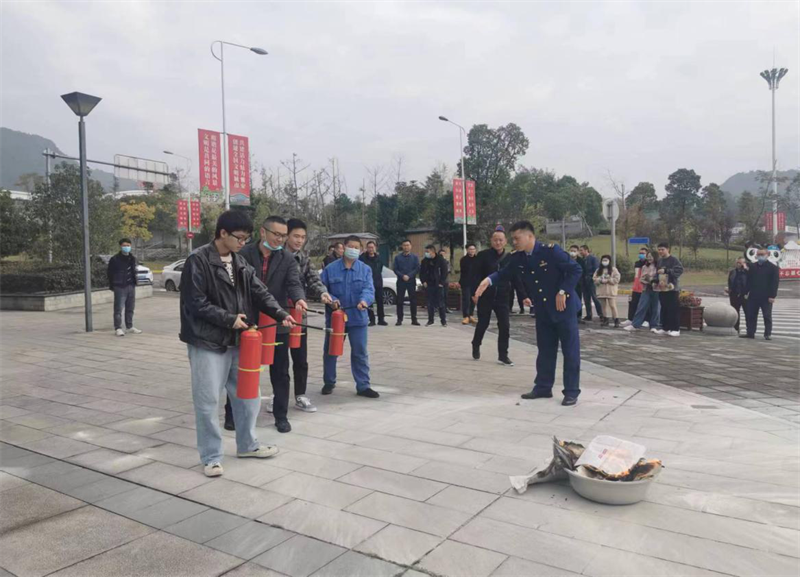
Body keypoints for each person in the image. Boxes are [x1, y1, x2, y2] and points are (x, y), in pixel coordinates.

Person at [179, 210, 295, 477]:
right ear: (223, 233)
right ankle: (211, 456)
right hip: (207, 342)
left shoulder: (239, 262)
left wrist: (280, 314)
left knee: (248, 395)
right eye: (239, 238)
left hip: (239, 340)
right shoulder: (198, 260)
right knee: (207, 400)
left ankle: (247, 444)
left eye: (246, 239)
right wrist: (229, 319)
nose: (243, 243)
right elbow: (196, 303)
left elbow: (259, 292)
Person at [475, 221, 582, 406]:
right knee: (545, 350)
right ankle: (543, 387)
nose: (514, 242)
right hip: (543, 310)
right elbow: (504, 273)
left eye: (517, 238)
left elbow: (575, 270)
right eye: (513, 239)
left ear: (530, 236)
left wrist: (563, 290)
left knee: (570, 351)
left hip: (564, 309)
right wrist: (488, 280)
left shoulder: (551, 252)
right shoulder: (518, 257)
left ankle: (571, 391)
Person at [230, 216, 307, 434]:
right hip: (247, 319)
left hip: (277, 319)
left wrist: (299, 299)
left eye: (283, 236)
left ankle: (281, 416)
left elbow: (293, 283)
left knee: (280, 371)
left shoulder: (287, 258)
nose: (280, 239)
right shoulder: (243, 254)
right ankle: (231, 414)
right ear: (263, 232)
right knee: (239, 369)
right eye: (277, 234)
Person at [284, 218, 334, 414]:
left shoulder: (303, 258)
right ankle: (278, 396)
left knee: (300, 358)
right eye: (296, 236)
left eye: (303, 237)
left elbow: (313, 278)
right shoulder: (275, 256)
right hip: (278, 316)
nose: (299, 240)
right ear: (286, 236)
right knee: (279, 361)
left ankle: (300, 395)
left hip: (299, 315)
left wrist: (322, 292)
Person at [321, 235, 378, 397]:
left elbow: (369, 289)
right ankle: (329, 382)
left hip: (357, 317)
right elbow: (322, 289)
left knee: (360, 351)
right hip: (336, 318)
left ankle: (363, 386)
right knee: (331, 350)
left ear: (361, 250)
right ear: (343, 247)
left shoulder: (365, 269)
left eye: (356, 247)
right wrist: (331, 300)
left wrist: (364, 301)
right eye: (350, 246)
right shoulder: (330, 269)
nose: (353, 250)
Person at [471, 226, 520, 366]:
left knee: (505, 326)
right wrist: (475, 293)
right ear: (491, 241)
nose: (498, 242)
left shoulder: (510, 258)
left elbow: (516, 278)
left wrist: (524, 296)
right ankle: (476, 343)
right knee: (483, 323)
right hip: (485, 296)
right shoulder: (483, 255)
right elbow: (475, 276)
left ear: (505, 241)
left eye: (500, 240)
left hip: (503, 297)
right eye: (495, 240)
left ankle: (503, 355)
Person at [742, 246, 779, 340]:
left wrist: (772, 296)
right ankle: (750, 333)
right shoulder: (753, 266)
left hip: (766, 297)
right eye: (758, 254)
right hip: (753, 295)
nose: (760, 256)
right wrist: (745, 292)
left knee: (767, 316)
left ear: (767, 255)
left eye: (762, 254)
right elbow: (749, 281)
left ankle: (767, 334)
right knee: (751, 315)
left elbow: (774, 283)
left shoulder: (773, 268)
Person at [107, 238, 142, 337]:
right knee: (118, 308)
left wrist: (135, 282)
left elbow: (134, 270)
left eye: (128, 245)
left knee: (130, 307)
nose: (126, 247)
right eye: (124, 245)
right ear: (120, 246)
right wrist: (113, 285)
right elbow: (110, 273)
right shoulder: (115, 259)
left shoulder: (132, 258)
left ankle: (129, 326)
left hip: (131, 285)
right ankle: (118, 328)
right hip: (120, 286)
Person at [624, 250, 660, 332]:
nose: (649, 258)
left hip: (657, 289)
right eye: (648, 256)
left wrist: (653, 280)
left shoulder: (659, 267)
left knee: (656, 308)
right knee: (641, 306)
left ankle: (654, 326)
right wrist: (647, 280)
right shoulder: (644, 267)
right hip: (646, 288)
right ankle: (635, 325)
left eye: (651, 256)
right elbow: (641, 278)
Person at [653, 242, 683, 337]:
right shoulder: (660, 261)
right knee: (664, 308)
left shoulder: (674, 260)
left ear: (668, 249)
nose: (660, 251)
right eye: (659, 250)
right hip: (662, 288)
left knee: (673, 309)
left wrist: (666, 271)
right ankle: (665, 328)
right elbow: (657, 273)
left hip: (672, 288)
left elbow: (679, 270)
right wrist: (655, 281)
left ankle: (675, 329)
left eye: (662, 249)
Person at [392, 239, 420, 326]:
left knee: (413, 301)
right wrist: (402, 276)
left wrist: (409, 276)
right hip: (401, 281)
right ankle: (399, 319)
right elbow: (395, 269)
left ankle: (414, 319)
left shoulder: (415, 257)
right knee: (399, 301)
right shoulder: (397, 257)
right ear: (402, 246)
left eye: (407, 245)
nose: (406, 247)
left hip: (411, 281)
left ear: (410, 246)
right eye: (404, 245)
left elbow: (417, 268)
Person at [360, 241, 387, 326]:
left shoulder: (379, 258)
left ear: (375, 248)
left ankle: (381, 319)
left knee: (380, 301)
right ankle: (372, 319)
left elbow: (380, 269)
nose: (371, 249)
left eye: (372, 247)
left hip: (378, 282)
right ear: (366, 248)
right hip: (368, 283)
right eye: (369, 247)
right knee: (370, 302)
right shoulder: (363, 258)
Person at [420, 244, 448, 327]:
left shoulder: (440, 260)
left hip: (438, 284)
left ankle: (443, 321)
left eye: (428, 252)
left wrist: (441, 282)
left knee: (441, 304)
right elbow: (422, 272)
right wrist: (423, 281)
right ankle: (430, 320)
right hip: (429, 284)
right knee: (429, 303)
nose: (426, 253)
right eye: (426, 252)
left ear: (433, 252)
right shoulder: (424, 261)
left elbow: (444, 272)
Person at [593, 255, 621, 328]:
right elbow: (594, 278)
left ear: (609, 261)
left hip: (611, 291)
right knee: (603, 306)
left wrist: (609, 280)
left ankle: (616, 319)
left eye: (606, 260)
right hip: (601, 291)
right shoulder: (598, 270)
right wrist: (600, 280)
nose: (604, 262)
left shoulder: (614, 270)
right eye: (603, 260)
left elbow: (617, 279)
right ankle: (605, 319)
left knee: (612, 305)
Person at [624, 247, 649, 324]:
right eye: (640, 253)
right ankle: (630, 319)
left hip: (644, 287)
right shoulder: (637, 263)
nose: (641, 255)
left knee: (644, 304)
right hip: (636, 286)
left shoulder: (648, 264)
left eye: (643, 253)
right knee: (633, 303)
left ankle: (646, 320)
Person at [579, 245, 603, 321]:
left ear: (586, 250)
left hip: (591, 281)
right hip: (584, 281)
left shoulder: (593, 259)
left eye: (581, 250)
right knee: (586, 299)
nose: (580, 252)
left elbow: (596, 270)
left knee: (595, 298)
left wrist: (592, 278)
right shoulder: (582, 260)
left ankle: (601, 314)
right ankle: (589, 315)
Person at [725, 256, 749, 333]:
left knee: (748, 313)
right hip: (734, 295)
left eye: (741, 263)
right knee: (735, 312)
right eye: (738, 263)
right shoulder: (733, 272)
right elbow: (730, 281)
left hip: (745, 295)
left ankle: (749, 330)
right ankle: (736, 328)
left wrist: (746, 269)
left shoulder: (748, 272)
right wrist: (729, 289)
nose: (739, 264)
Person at [459, 243, 478, 325]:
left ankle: (471, 315)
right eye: (470, 249)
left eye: (473, 249)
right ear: (467, 250)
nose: (472, 251)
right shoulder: (463, 260)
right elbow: (464, 272)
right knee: (466, 299)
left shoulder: (478, 259)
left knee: (473, 299)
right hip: (466, 282)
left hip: (475, 283)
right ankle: (466, 316)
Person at [568, 245, 583, 322]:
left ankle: (578, 316)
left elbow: (583, 272)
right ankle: (570, 315)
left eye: (574, 251)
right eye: (571, 251)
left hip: (578, 283)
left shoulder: (581, 261)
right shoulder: (566, 259)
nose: (572, 252)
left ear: (577, 252)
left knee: (578, 299)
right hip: (568, 282)